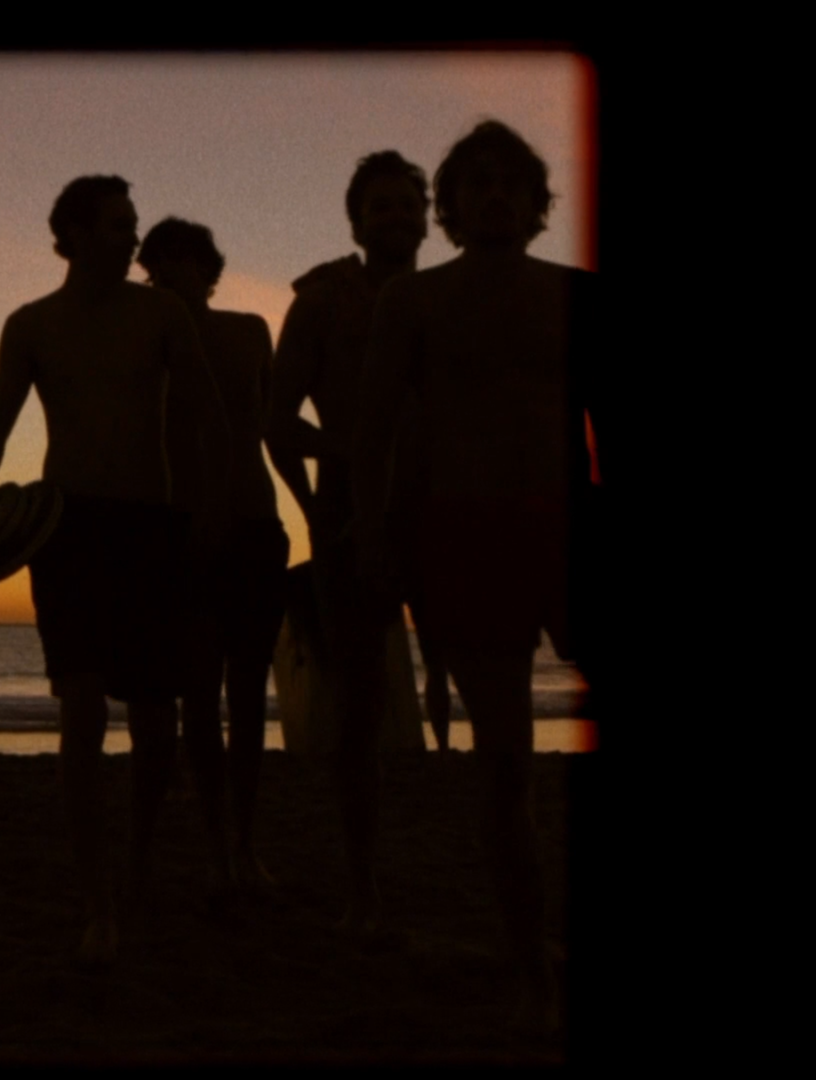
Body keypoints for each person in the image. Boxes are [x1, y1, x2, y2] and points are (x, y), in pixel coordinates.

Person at [0, 176, 229, 962]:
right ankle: (98, 900)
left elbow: (203, 416)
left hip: (153, 526)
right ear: (71, 234)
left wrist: (206, 513)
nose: (131, 239)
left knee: (153, 724)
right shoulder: (31, 324)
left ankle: (137, 862)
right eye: (115, 226)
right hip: (69, 529)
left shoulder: (163, 314)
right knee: (79, 714)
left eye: (133, 225)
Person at [352, 120, 590, 1032]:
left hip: (570, 531)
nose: (494, 194)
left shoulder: (574, 296)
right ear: (445, 209)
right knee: (504, 768)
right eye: (475, 184)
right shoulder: (412, 304)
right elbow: (372, 432)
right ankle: (528, 956)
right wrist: (372, 536)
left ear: (538, 204)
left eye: (512, 182)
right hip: (463, 539)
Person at [267, 150, 432, 940]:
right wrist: (340, 470)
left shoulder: (447, 297)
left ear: (427, 217)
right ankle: (362, 885)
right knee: (360, 710)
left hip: (445, 507)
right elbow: (277, 417)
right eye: (381, 207)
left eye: (408, 205)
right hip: (344, 515)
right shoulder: (324, 298)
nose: (396, 218)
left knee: (476, 688)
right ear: (357, 221)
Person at [136, 217, 287, 894]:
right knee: (198, 697)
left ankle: (247, 842)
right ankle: (216, 847)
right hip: (181, 530)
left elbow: (276, 424)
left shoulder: (250, 329)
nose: (168, 275)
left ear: (208, 267)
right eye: (156, 266)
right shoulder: (145, 342)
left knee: (250, 695)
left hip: (255, 522)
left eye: (181, 263)